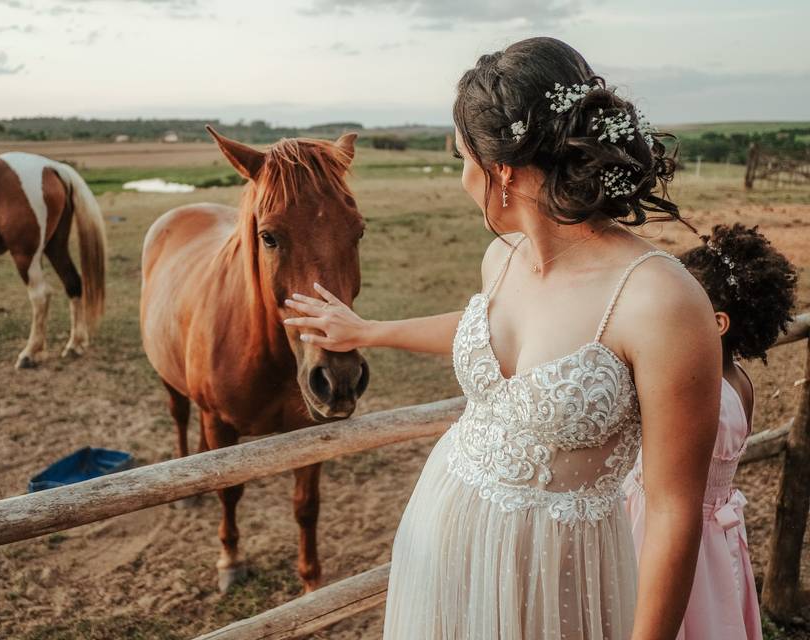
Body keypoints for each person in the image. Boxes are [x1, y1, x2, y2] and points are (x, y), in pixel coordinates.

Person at [284, 37, 723, 639]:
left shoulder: (659, 301)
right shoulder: (501, 258)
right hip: (441, 543)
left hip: (559, 577)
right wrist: (369, 331)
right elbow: (487, 334)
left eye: (464, 159)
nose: (463, 178)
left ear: (503, 172)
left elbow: (675, 511)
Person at [625, 224, 797, 640]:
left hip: (664, 528)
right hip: (716, 540)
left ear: (716, 322)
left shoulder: (691, 389)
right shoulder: (739, 380)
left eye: (676, 304)